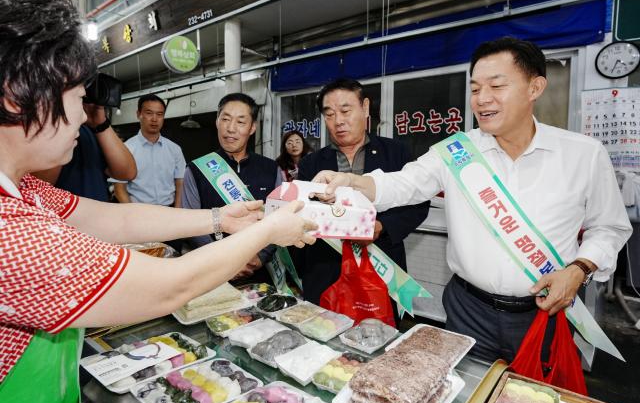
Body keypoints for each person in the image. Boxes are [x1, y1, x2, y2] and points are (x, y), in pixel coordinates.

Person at [0, 0, 316, 403]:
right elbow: (173, 285)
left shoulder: (25, 192)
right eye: (76, 98)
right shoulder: (9, 229)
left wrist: (219, 216)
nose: (83, 117)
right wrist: (268, 230)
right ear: (15, 98)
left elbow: (114, 217)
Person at [313, 38, 632, 362]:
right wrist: (351, 181)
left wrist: (579, 269)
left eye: (496, 86)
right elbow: (404, 183)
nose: (482, 99)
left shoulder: (583, 154)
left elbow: (609, 227)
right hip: (468, 310)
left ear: (535, 87)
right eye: (475, 88)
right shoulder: (457, 150)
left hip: (543, 313)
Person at [295, 78, 430, 306]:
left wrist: (381, 227)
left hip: (382, 266)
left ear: (365, 107)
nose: (338, 121)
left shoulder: (396, 152)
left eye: (346, 111)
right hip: (326, 272)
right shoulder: (311, 164)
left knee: (381, 335)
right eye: (329, 114)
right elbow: (301, 213)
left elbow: (417, 205)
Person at [182, 93, 282, 282]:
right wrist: (223, 262)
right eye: (225, 119)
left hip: (259, 274)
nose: (230, 129)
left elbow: (279, 218)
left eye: (240, 122)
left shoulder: (271, 169)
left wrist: (260, 257)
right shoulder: (196, 169)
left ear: (252, 128)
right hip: (211, 273)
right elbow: (190, 221)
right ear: (217, 122)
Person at [32, 103, 137, 201]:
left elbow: (127, 173)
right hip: (59, 217)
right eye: (79, 95)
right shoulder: (43, 126)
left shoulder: (92, 130)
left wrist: (101, 124)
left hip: (94, 215)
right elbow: (38, 186)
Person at [111, 94, 186, 208]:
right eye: (149, 113)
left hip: (169, 210)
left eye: (159, 114)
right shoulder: (126, 149)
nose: (154, 119)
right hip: (138, 211)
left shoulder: (174, 149)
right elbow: (119, 189)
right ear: (138, 114)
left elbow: (180, 184)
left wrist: (178, 212)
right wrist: (133, 214)